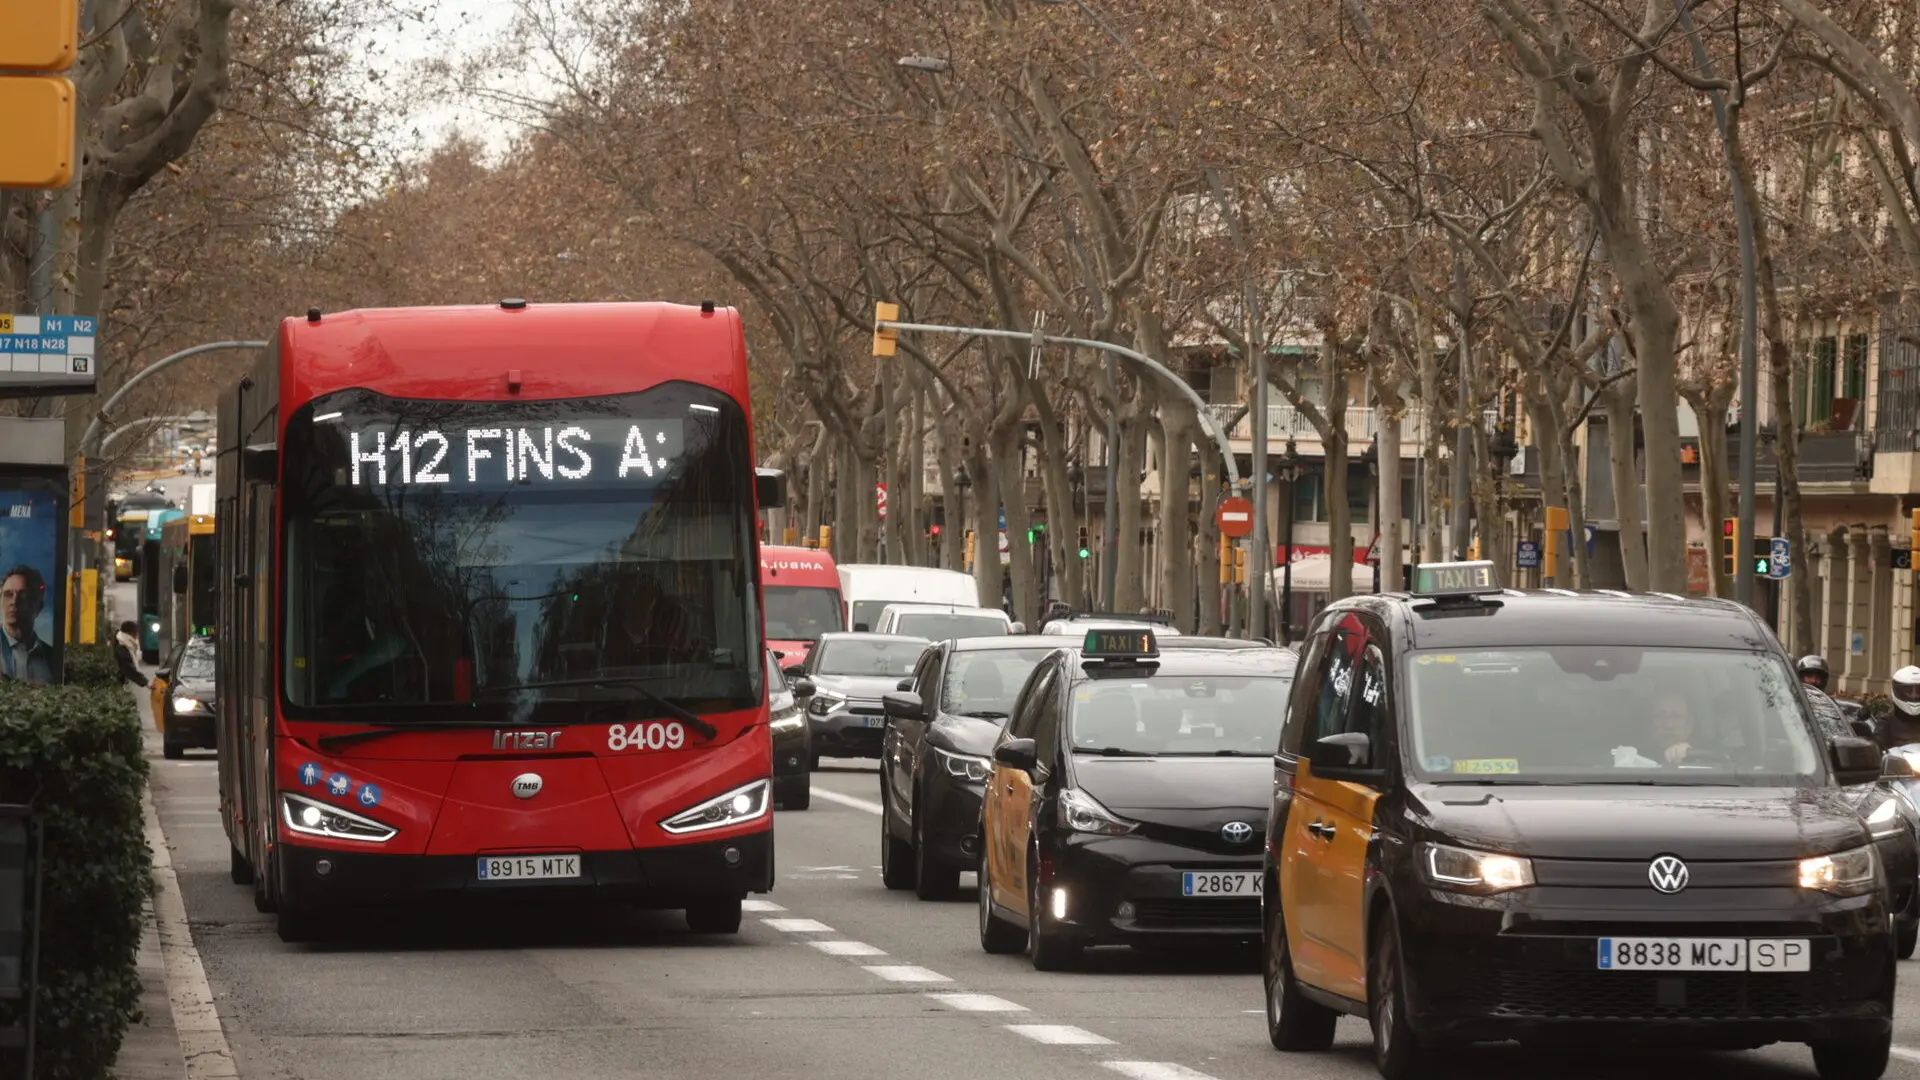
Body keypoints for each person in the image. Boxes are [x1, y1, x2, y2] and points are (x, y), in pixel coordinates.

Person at [0, 565, 54, 685]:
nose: (14, 602)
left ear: (38, 606)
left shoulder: (50, 657)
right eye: (8, 595)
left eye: (23, 595)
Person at [114, 620, 148, 688]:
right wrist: (146, 682)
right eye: (136, 633)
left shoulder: (121, 641)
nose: (137, 636)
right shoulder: (122, 646)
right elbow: (128, 668)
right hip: (114, 684)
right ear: (131, 634)